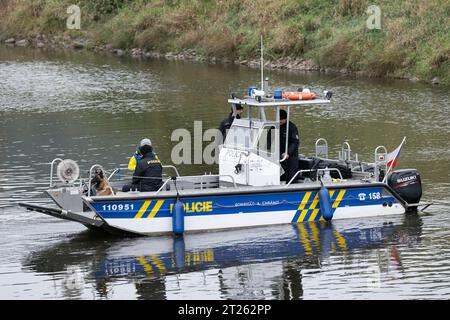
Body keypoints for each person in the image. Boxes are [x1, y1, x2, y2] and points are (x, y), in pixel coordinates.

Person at [279, 109, 300, 183]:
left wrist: (288, 152)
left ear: (286, 119)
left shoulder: (292, 127)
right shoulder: (274, 127)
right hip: (278, 155)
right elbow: (270, 140)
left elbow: (295, 142)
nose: (280, 121)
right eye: (279, 119)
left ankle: (293, 188)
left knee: (291, 174)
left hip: (291, 156)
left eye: (281, 119)